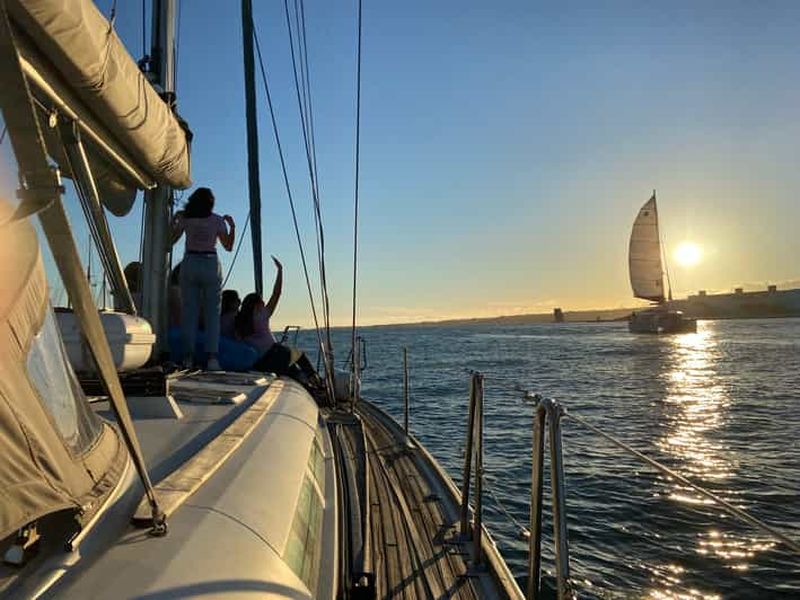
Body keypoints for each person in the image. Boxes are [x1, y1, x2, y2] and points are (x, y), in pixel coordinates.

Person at [171, 187, 235, 370]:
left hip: (190, 262)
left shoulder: (186, 219)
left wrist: (174, 220)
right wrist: (232, 227)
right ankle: (212, 357)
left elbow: (170, 240)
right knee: (212, 313)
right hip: (210, 263)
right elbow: (228, 246)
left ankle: (188, 357)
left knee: (189, 312)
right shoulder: (217, 220)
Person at [234, 257, 321, 391]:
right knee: (299, 356)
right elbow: (277, 293)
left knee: (292, 370)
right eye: (261, 302)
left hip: (260, 363)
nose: (264, 303)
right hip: (275, 353)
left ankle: (310, 387)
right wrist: (280, 270)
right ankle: (316, 380)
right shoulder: (262, 315)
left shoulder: (238, 320)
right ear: (257, 304)